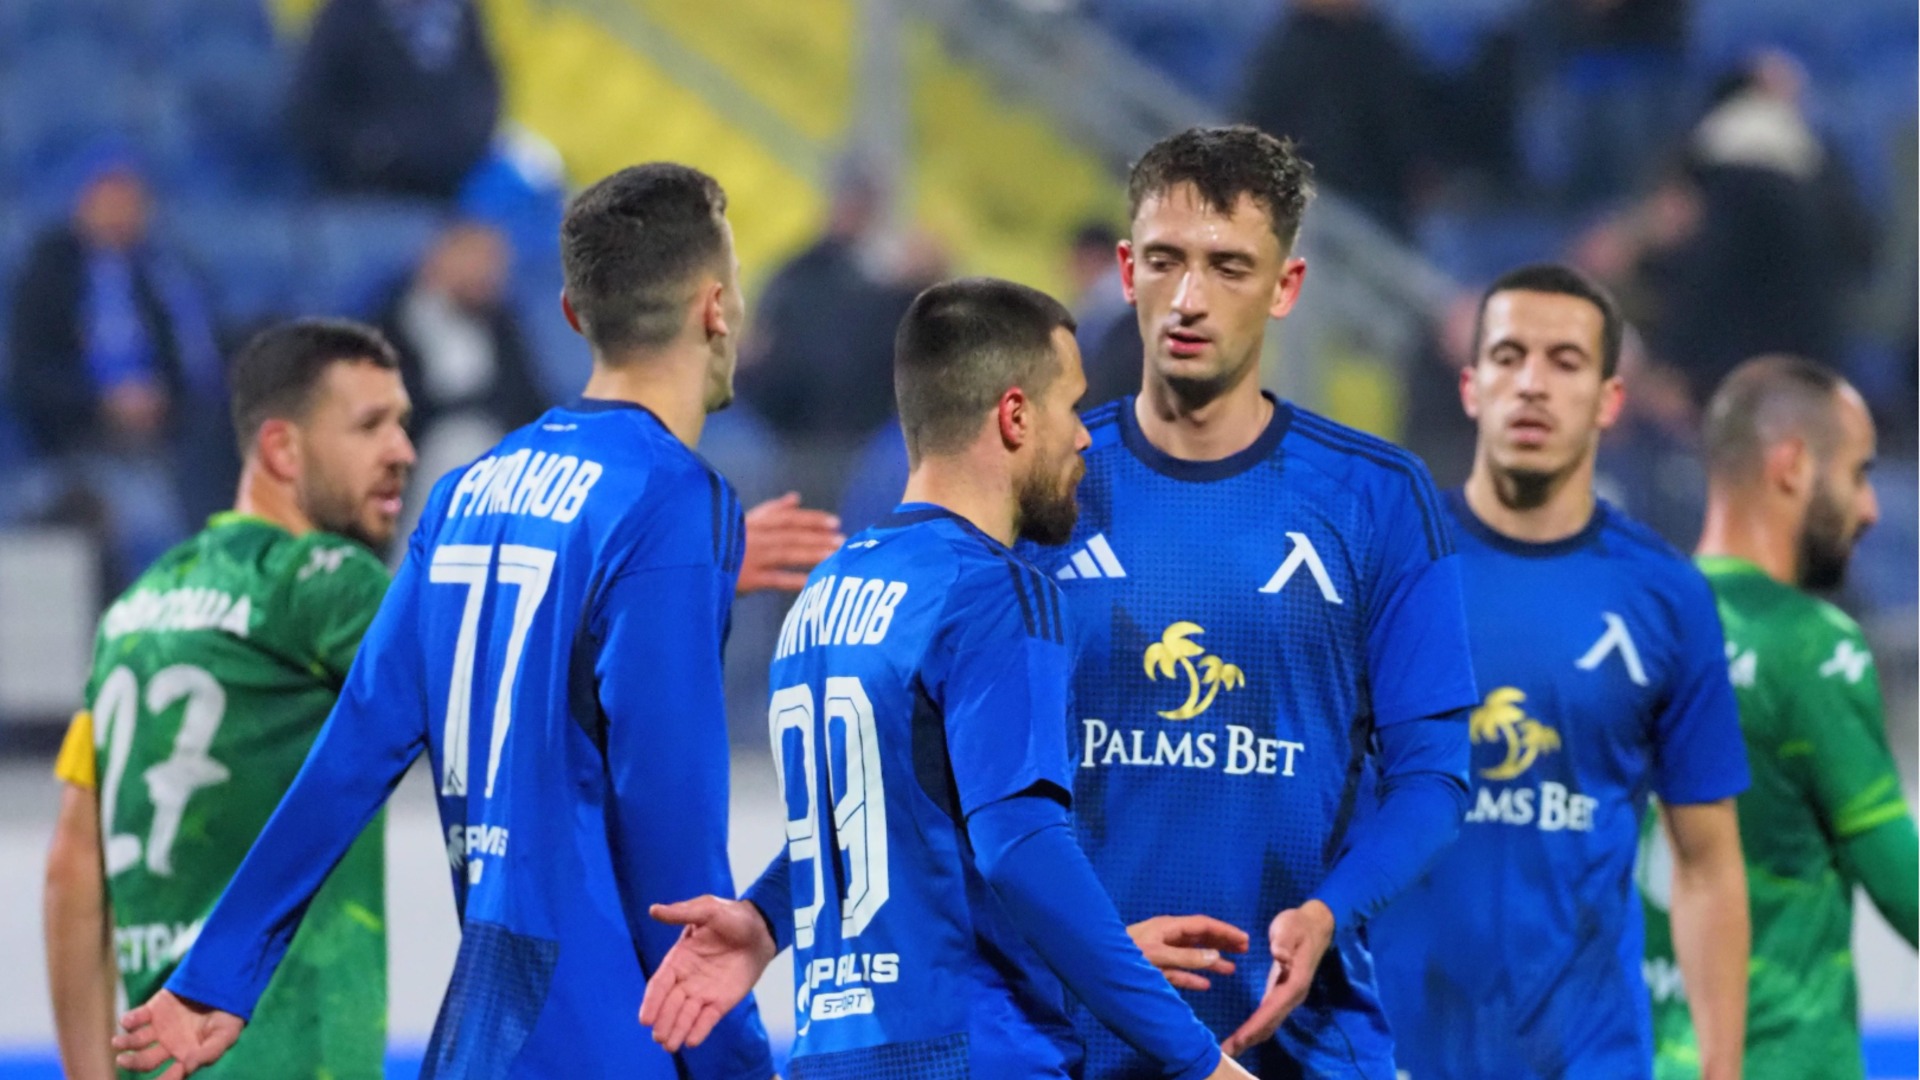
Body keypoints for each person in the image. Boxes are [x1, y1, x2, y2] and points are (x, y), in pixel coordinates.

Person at [111, 163, 779, 1079]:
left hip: (480, 1035)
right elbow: (673, 842)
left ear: (573, 315)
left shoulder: (467, 491)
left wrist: (217, 975)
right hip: (607, 1037)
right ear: (716, 309)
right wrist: (734, 1061)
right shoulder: (670, 498)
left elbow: (355, 746)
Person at [635, 277, 1255, 1080]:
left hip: (833, 1058)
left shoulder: (826, 593)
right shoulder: (994, 590)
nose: (1084, 438)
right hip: (971, 1053)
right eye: (1072, 407)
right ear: (1015, 415)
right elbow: (1021, 847)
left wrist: (763, 915)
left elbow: (877, 811)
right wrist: (1199, 1060)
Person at [1023, 125, 1480, 1078]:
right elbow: (954, 776)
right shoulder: (1041, 489)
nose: (1190, 298)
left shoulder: (1375, 497)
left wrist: (1327, 913)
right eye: (1166, 261)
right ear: (1127, 271)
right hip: (1082, 1044)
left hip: (1304, 1044)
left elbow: (1434, 775)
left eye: (1229, 266)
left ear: (1285, 286)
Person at [1366, 264, 1753, 1079]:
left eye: (1565, 362)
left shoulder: (1667, 594)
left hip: (1587, 1055)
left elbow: (1707, 862)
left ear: (1610, 400)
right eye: (1509, 357)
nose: (1532, 385)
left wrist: (1721, 1068)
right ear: (1471, 386)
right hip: (1398, 1050)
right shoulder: (1386, 567)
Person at [43, 319, 416, 1080]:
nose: (402, 451)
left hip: (156, 1059)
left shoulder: (137, 608)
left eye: (403, 424)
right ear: (282, 449)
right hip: (285, 1055)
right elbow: (488, 695)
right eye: (370, 425)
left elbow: (72, 868)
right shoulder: (325, 582)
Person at [1641, 355, 1917, 1080]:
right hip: (1779, 1058)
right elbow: (1905, 885)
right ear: (1792, 466)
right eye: (1857, 473)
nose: (1869, 508)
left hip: (1647, 1056)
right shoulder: (1810, 645)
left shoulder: (1632, 626)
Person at [8, 146, 228, 585]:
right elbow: (29, 374)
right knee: (148, 522)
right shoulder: (49, 275)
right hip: (74, 440)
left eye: (132, 198)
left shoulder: (164, 276)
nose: (121, 211)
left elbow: (192, 363)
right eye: (109, 197)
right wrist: (102, 402)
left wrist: (159, 400)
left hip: (164, 440)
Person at [287, 0, 501, 199]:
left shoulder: (458, 13)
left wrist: (466, 141)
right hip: (363, 195)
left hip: (450, 191)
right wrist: (370, 150)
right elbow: (310, 108)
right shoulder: (349, 13)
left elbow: (483, 86)